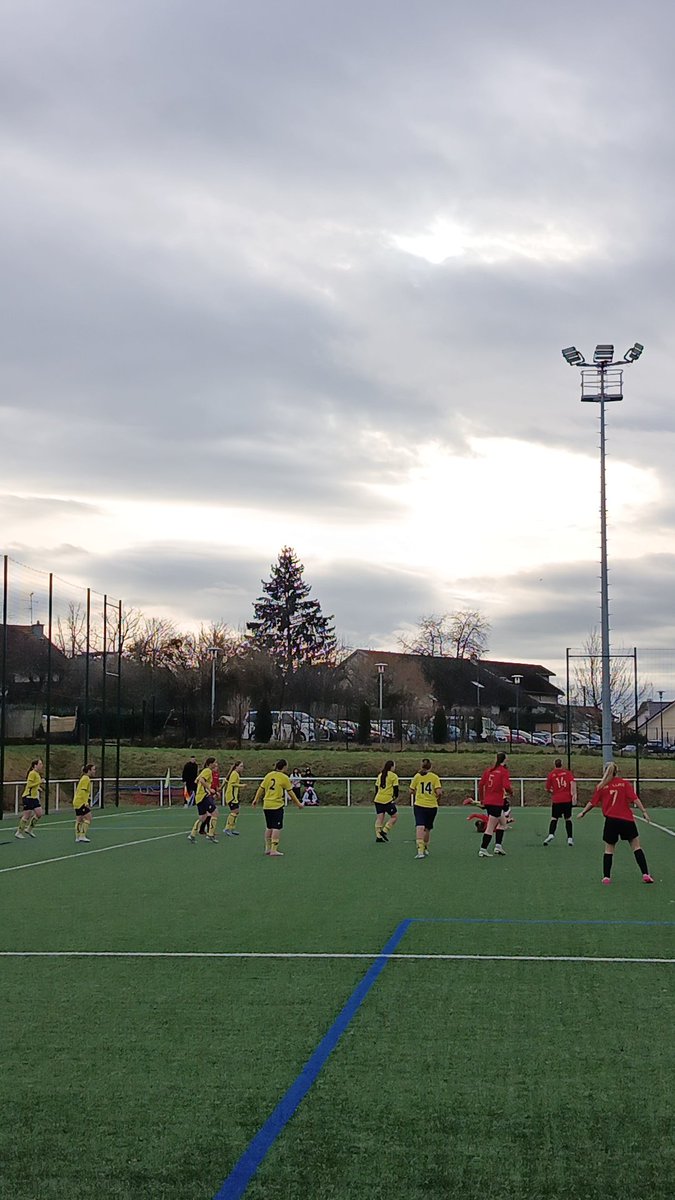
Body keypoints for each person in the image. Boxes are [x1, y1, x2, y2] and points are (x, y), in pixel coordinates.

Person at [577, 762, 654, 885]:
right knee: (636, 847)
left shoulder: (601, 786)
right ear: (616, 771)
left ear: (604, 771)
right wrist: (643, 811)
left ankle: (606, 877)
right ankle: (645, 874)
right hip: (627, 820)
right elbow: (635, 798)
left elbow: (592, 802)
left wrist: (583, 812)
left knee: (609, 849)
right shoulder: (624, 783)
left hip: (611, 821)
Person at [252, 758, 303, 857]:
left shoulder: (268, 775)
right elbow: (290, 792)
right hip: (276, 805)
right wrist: (298, 804)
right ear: (284, 767)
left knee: (269, 827)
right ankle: (273, 850)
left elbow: (261, 788)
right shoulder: (284, 777)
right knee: (276, 827)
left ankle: (267, 848)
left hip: (267, 804)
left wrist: (255, 799)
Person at [477, 752, 513, 858]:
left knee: (503, 824)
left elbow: (481, 785)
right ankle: (483, 849)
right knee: (490, 827)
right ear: (505, 759)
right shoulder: (503, 771)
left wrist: (482, 799)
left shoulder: (489, 770)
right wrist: (511, 792)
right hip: (496, 802)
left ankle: (498, 846)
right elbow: (506, 786)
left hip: (489, 801)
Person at [409, 758, 442, 860]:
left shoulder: (417, 776)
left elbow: (411, 790)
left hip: (419, 805)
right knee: (427, 828)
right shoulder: (434, 777)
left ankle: (420, 851)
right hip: (432, 806)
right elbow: (439, 792)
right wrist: (437, 798)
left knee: (419, 826)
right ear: (430, 767)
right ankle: (425, 847)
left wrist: (418, 794)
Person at [543, 758, 577, 846]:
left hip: (557, 800)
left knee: (554, 818)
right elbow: (572, 784)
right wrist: (573, 796)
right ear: (562, 764)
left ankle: (551, 834)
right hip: (567, 799)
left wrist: (553, 792)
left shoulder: (551, 774)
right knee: (568, 819)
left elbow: (547, 788)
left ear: (554, 764)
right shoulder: (568, 773)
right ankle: (570, 838)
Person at [187, 757, 219, 844]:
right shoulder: (208, 771)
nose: (216, 764)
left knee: (203, 817)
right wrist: (209, 789)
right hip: (204, 796)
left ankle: (192, 834)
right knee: (215, 813)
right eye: (215, 762)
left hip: (199, 796)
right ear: (211, 764)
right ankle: (210, 834)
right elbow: (201, 780)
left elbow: (196, 780)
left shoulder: (205, 771)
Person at [15, 758, 44, 839]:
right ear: (35, 765)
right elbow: (29, 785)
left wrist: (38, 788)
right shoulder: (32, 773)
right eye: (40, 764)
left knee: (39, 813)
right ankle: (19, 832)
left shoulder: (37, 774)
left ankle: (29, 829)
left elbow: (34, 785)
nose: (41, 766)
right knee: (26, 815)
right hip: (28, 797)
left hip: (34, 797)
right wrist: (40, 782)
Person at [373, 759, 399, 844]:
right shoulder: (393, 776)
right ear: (391, 767)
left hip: (378, 799)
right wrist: (395, 797)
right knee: (394, 817)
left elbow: (376, 787)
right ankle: (384, 831)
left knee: (380, 818)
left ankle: (378, 836)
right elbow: (396, 788)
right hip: (387, 800)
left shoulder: (380, 775)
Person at [73, 764, 96, 843]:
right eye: (93, 769)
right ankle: (82, 836)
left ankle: (78, 836)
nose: (94, 771)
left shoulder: (84, 778)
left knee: (79, 819)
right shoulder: (86, 779)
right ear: (89, 770)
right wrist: (85, 802)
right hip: (80, 802)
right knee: (89, 818)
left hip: (77, 801)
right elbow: (83, 791)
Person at [224, 760, 244, 836]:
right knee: (234, 812)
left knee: (236, 811)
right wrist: (242, 785)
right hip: (231, 796)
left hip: (234, 796)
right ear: (236, 767)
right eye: (241, 766)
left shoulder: (236, 774)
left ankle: (232, 828)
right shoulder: (234, 774)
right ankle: (227, 828)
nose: (242, 768)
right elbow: (232, 784)